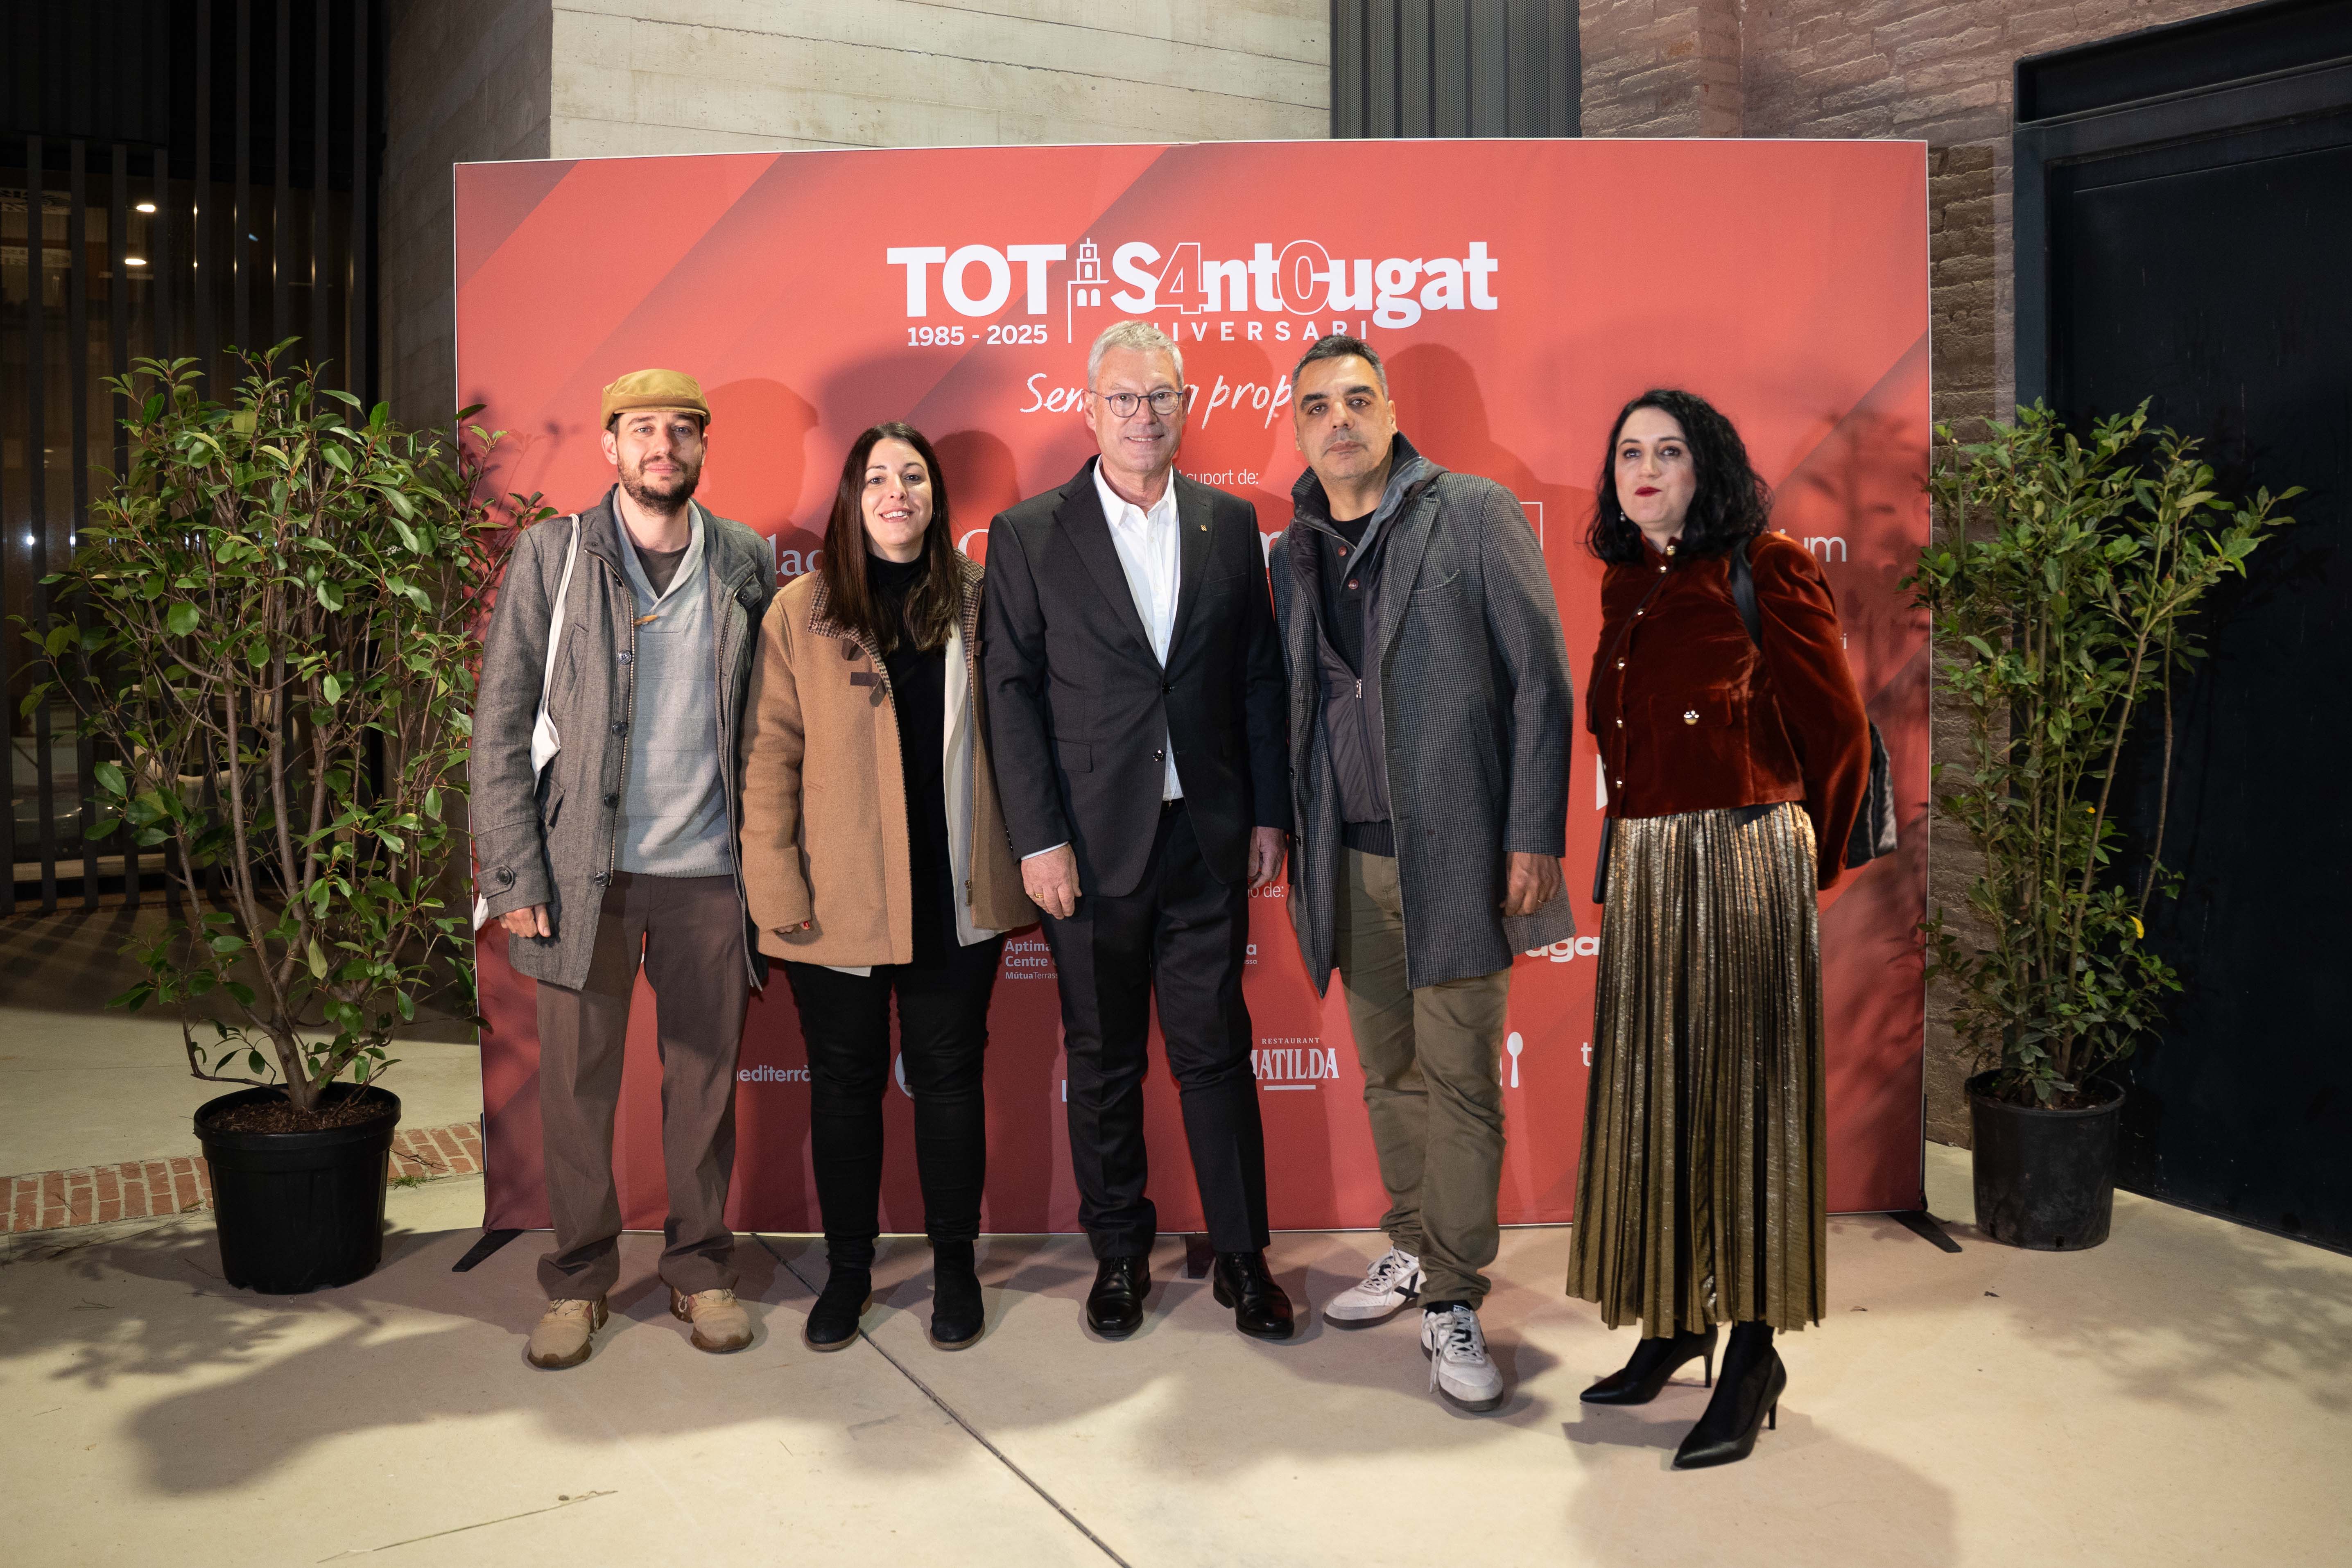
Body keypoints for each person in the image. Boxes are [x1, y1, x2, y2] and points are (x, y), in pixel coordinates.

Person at [1267, 336, 1576, 1412]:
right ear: (1297, 425)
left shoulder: (1474, 511)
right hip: (1345, 858)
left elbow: (1542, 681)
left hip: (1459, 854)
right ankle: (1408, 1243)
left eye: (1359, 399)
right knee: (1387, 1073)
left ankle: (1454, 1290)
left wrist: (1534, 831)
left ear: (1392, 410)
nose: (1340, 418)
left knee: (1461, 1080)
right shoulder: (1292, 548)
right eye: (1318, 405)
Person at [1564, 389, 1871, 1468]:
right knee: (1661, 1095)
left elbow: (1839, 730)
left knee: (1746, 1109)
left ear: (1710, 467)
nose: (1645, 469)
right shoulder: (1624, 579)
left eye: (1670, 451)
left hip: (1745, 855)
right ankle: (1675, 1318)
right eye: (1630, 453)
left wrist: (1800, 860)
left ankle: (1752, 1351)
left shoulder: (1766, 563)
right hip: (1649, 863)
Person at [979, 321, 1295, 1341]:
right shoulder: (1029, 533)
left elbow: (1256, 678)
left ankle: (1242, 1256)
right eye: (1124, 398)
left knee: (1215, 1053)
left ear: (1186, 406)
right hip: (1087, 848)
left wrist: (1266, 812)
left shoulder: (1229, 523)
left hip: (1203, 839)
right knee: (1105, 1058)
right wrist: (1036, 839)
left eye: (1160, 396)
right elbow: (1010, 695)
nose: (1143, 416)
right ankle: (1117, 1254)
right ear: (1089, 409)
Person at [474, 370, 777, 1369]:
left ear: (700, 447)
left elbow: (774, 726)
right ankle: (577, 1281)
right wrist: (513, 873)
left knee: (702, 1084)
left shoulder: (740, 558)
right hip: (579, 874)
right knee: (575, 1087)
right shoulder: (555, 555)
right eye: (643, 429)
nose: (663, 446)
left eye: (681, 430)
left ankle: (699, 1268)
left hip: (708, 878)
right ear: (610, 445)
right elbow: (502, 721)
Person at [738, 423, 1037, 1353]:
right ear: (852, 496)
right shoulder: (802, 608)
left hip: (956, 892)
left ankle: (955, 1267)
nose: (896, 491)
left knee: (950, 1085)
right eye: (877, 477)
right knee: (843, 1087)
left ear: (936, 496)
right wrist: (774, 884)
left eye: (913, 476)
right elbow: (768, 756)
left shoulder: (984, 598)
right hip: (835, 897)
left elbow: (1027, 731)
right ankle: (849, 1271)